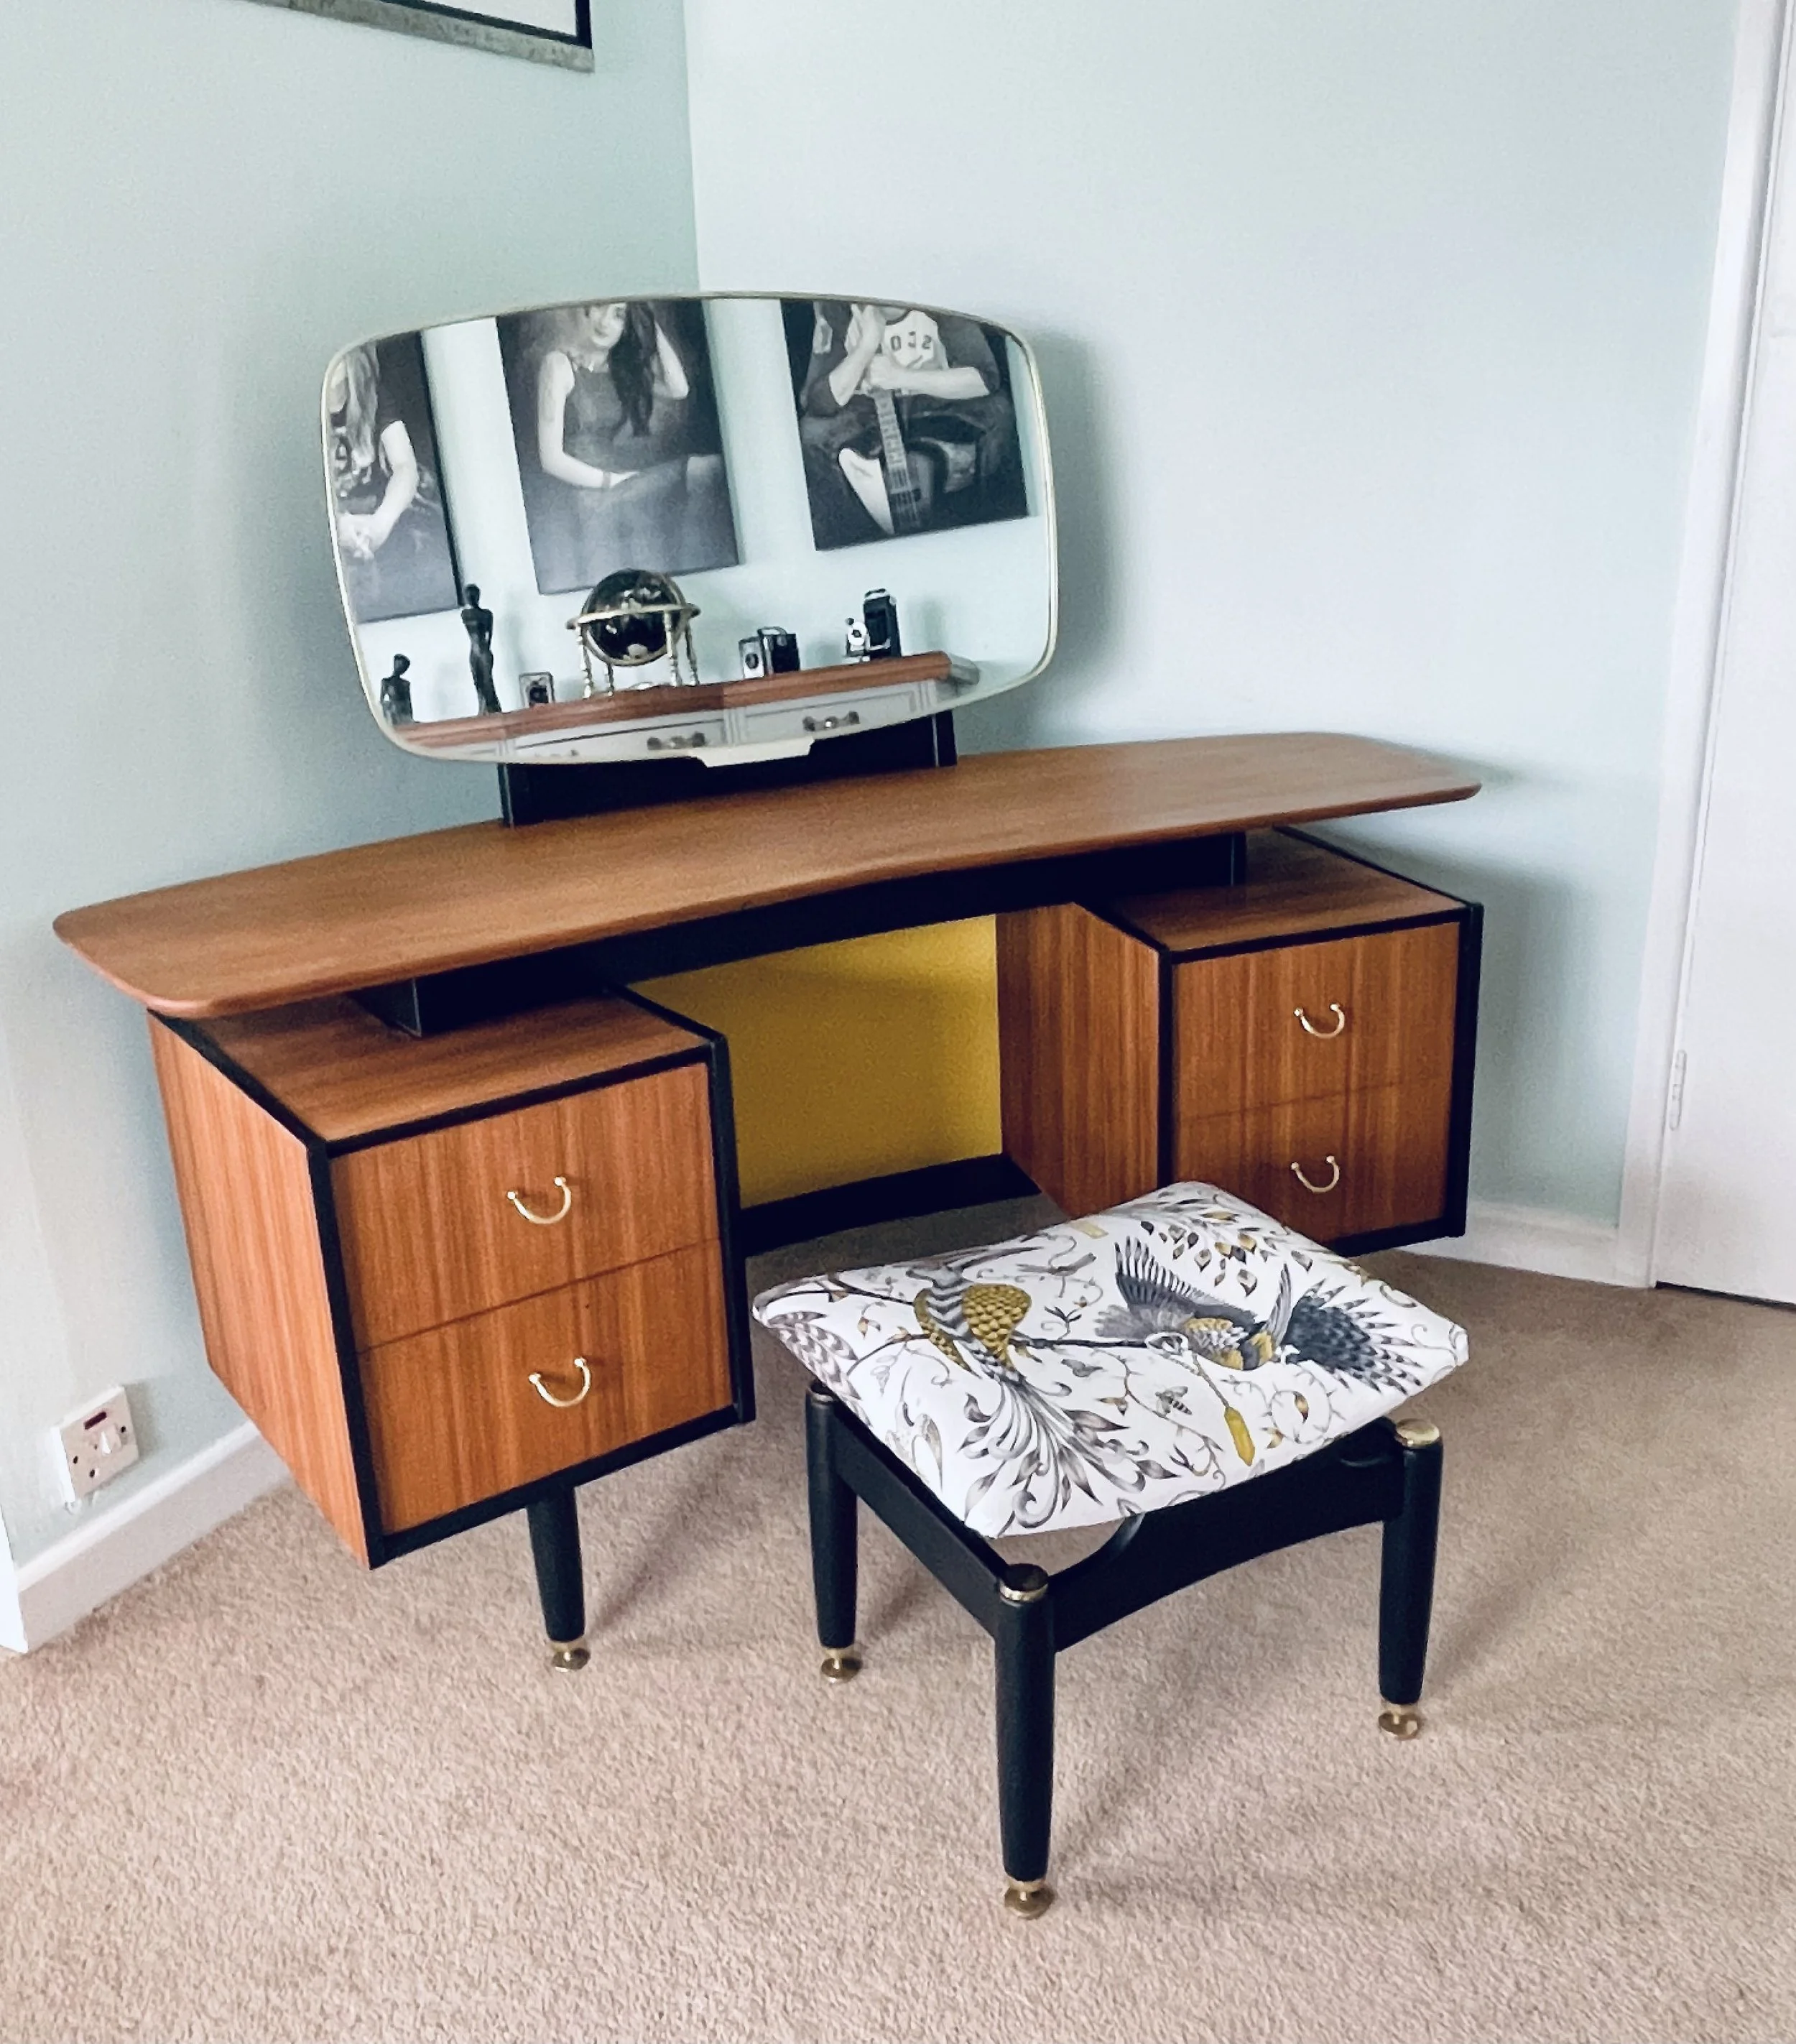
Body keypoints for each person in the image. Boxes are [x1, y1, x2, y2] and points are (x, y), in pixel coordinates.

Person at [510, 300, 736, 594]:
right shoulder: (558, 364)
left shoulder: (619, 370)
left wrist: (651, 324)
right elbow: (551, 459)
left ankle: (697, 580)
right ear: (585, 309)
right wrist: (610, 481)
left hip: (625, 484)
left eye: (618, 315)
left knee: (709, 473)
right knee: (705, 470)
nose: (605, 321)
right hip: (591, 494)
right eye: (601, 308)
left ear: (627, 326)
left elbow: (679, 389)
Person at [793, 302, 1023, 548]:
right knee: (812, 435)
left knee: (999, 413)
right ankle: (858, 541)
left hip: (932, 400)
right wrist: (865, 348)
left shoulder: (939, 305)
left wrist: (900, 377)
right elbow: (818, 402)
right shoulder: (838, 309)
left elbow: (986, 379)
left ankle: (985, 526)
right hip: (865, 408)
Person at [325, 338, 458, 622]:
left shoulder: (374, 394)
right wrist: (337, 526)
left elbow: (405, 466)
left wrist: (381, 523)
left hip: (375, 519)